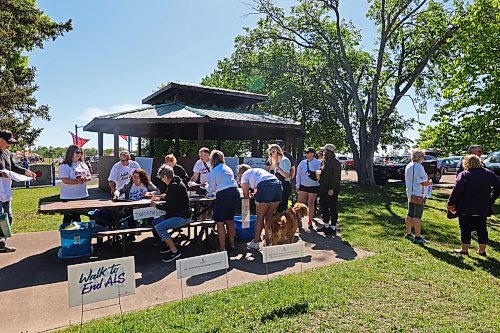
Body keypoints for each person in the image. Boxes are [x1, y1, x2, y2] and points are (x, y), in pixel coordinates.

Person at [448, 155, 500, 256]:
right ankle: (482, 250)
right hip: (483, 206)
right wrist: (491, 200)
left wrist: (450, 203)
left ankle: (464, 249)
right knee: (481, 227)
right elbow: (498, 188)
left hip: (465, 206)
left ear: (466, 163)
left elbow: (456, 190)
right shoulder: (489, 174)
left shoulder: (464, 174)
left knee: (465, 227)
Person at [0, 130, 36, 253]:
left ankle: (2, 243)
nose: (9, 145)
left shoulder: (7, 153)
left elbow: (13, 167)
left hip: (5, 190)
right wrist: (2, 174)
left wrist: (25, 171)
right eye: (7, 142)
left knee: (8, 217)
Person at [151, 165, 192, 262]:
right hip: (179, 214)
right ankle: (165, 245)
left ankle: (174, 251)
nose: (161, 180)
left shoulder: (174, 186)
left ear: (165, 176)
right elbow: (171, 198)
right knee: (155, 223)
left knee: (159, 228)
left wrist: (156, 206)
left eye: (161, 178)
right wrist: (160, 198)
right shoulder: (176, 182)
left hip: (182, 217)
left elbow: (169, 206)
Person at [237, 164, 282, 250]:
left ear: (240, 174)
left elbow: (246, 196)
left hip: (265, 186)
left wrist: (248, 199)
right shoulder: (257, 171)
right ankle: (268, 241)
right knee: (269, 215)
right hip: (278, 185)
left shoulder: (244, 176)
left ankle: (256, 242)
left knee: (260, 216)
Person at [206, 150, 240, 251]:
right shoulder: (227, 168)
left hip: (223, 195)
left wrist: (206, 187)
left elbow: (211, 189)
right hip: (235, 192)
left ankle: (222, 247)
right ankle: (232, 244)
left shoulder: (214, 171)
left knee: (220, 222)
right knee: (230, 220)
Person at [404, 149, 432, 243]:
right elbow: (423, 182)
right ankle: (417, 236)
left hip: (410, 193)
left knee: (410, 214)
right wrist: (430, 183)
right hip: (419, 194)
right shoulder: (419, 167)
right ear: (420, 157)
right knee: (417, 216)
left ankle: (408, 233)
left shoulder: (409, 165)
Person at [58, 145, 92, 224]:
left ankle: (78, 234)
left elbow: (89, 176)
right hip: (68, 196)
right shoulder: (64, 166)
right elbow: (65, 180)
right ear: (71, 153)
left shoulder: (83, 164)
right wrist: (78, 181)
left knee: (77, 217)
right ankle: (67, 235)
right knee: (68, 218)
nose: (79, 154)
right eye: (77, 152)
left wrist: (85, 179)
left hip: (81, 195)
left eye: (81, 152)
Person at [317, 144, 342, 235]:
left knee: (332, 208)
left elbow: (335, 178)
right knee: (324, 207)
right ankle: (326, 225)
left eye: (324, 151)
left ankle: (333, 227)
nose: (323, 153)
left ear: (329, 152)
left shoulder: (336, 163)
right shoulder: (324, 162)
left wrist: (331, 188)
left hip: (332, 189)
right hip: (323, 188)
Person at [296, 147, 321, 231]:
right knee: (300, 204)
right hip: (303, 185)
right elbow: (298, 174)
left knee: (311, 204)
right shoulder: (302, 163)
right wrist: (297, 185)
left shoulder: (318, 163)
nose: (307, 154)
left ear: (313, 154)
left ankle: (310, 221)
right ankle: (299, 220)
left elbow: (320, 174)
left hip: (313, 186)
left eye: (308, 153)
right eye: (306, 153)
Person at [267, 144, 292, 213]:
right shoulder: (275, 161)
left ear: (278, 151)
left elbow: (286, 175)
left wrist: (277, 167)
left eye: (273, 152)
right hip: (277, 186)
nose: (272, 154)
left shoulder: (285, 161)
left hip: (284, 186)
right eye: (270, 153)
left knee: (282, 208)